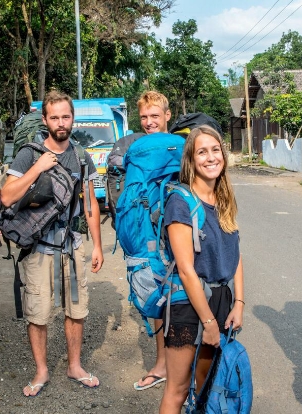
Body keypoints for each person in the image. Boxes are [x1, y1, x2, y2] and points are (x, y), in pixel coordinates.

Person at [1, 90, 104, 396]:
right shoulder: (28, 153)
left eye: (66, 116)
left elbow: (91, 205)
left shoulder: (81, 155)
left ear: (73, 118)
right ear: (45, 120)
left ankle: (74, 365)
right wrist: (38, 168)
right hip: (38, 245)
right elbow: (7, 196)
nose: (61, 123)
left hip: (72, 243)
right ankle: (42, 371)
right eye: (55, 117)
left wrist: (97, 245)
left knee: (76, 307)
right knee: (38, 310)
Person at [159, 125, 245, 413]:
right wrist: (208, 323)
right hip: (188, 303)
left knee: (207, 383)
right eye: (202, 152)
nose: (211, 157)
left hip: (221, 301)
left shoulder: (223, 199)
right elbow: (185, 269)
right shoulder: (180, 202)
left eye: (215, 149)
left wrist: (240, 303)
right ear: (191, 160)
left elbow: (236, 254)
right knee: (178, 389)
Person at [132, 90, 172, 391]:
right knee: (158, 296)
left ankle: (190, 364)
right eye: (144, 117)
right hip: (152, 237)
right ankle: (162, 364)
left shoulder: (184, 148)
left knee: (187, 297)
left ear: (167, 116)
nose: (149, 122)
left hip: (181, 230)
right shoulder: (139, 149)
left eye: (154, 116)